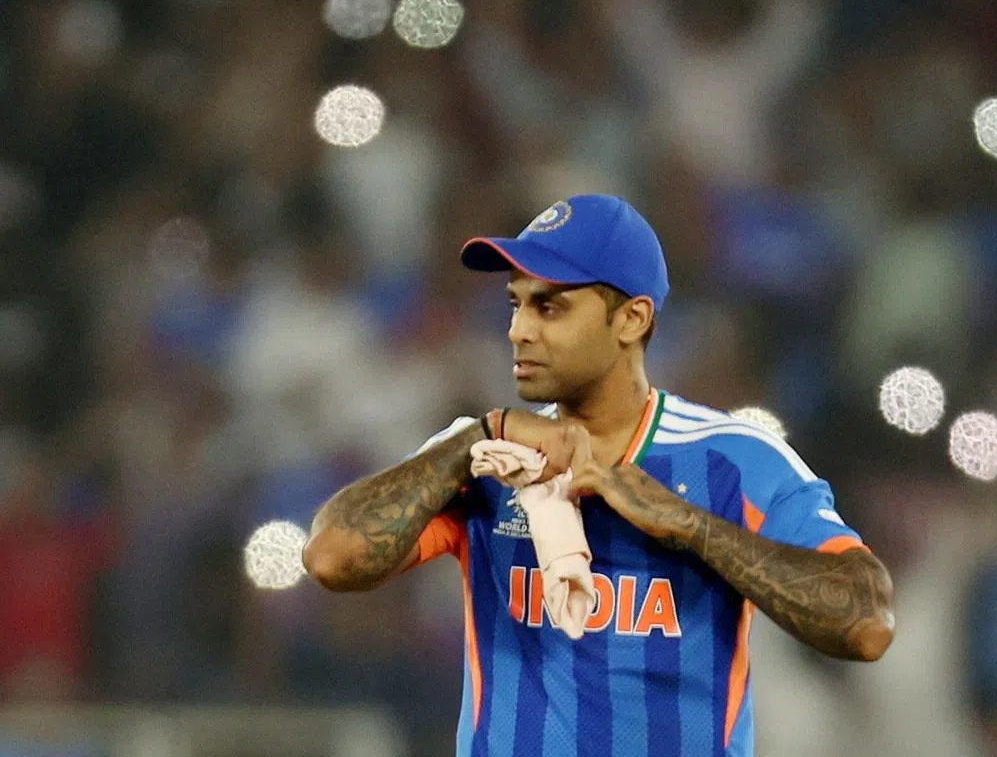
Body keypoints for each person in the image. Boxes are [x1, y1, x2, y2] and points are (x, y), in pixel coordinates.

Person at [303, 194, 895, 756]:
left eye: (550, 306)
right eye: (516, 303)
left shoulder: (734, 460)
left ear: (632, 319)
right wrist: (474, 437)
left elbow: (866, 623)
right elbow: (331, 558)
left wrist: (690, 526)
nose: (518, 330)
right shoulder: (482, 455)